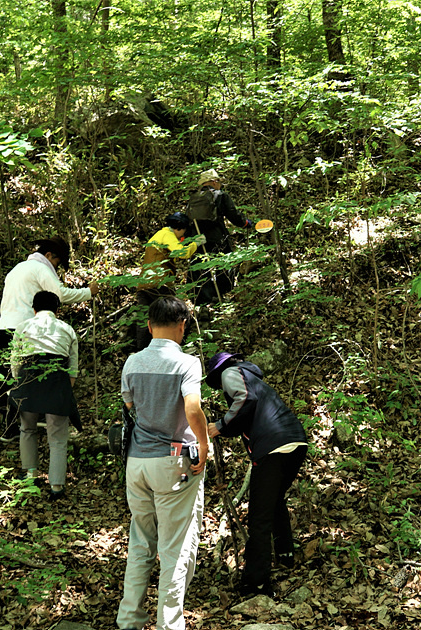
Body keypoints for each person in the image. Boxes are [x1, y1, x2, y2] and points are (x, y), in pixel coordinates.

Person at [116, 296, 209, 630]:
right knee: (176, 545)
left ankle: (129, 618)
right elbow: (193, 408)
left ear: (150, 326)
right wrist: (203, 441)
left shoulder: (132, 363)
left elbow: (130, 407)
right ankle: (169, 624)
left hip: (137, 463)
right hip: (173, 463)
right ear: (182, 326)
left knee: (141, 539)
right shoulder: (187, 363)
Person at [205, 351, 308, 598]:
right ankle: (285, 555)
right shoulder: (254, 378)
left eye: (217, 384)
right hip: (295, 442)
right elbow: (247, 412)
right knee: (273, 502)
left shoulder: (231, 373)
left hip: (272, 448)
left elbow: (244, 399)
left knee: (259, 518)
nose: (221, 388)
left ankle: (257, 584)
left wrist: (218, 426)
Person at [0, 236, 97, 441]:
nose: (57, 268)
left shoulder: (17, 269)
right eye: (57, 263)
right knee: (28, 374)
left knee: (6, 376)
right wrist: (88, 292)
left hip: (4, 326)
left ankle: (9, 426)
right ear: (48, 255)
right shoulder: (40, 268)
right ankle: (31, 420)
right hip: (24, 327)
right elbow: (58, 294)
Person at [9, 291, 79, 501]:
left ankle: (30, 473)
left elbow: (15, 363)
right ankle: (57, 485)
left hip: (28, 379)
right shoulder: (67, 329)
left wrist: (19, 384)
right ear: (58, 311)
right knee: (57, 437)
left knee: (27, 428)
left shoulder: (23, 327)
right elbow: (73, 370)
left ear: (34, 309)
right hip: (57, 380)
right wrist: (65, 391)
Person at [130, 213, 203, 352]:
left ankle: (141, 351)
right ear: (180, 227)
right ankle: (184, 344)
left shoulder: (157, 235)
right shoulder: (167, 235)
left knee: (145, 318)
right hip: (159, 283)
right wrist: (196, 243)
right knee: (177, 313)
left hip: (144, 285)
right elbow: (181, 253)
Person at [186, 169, 253, 304]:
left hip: (197, 239)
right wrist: (246, 223)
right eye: (219, 182)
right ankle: (223, 294)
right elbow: (233, 214)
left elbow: (187, 220)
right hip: (217, 237)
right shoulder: (220, 195)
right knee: (224, 263)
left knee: (200, 267)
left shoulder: (193, 199)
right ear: (214, 182)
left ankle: (202, 302)